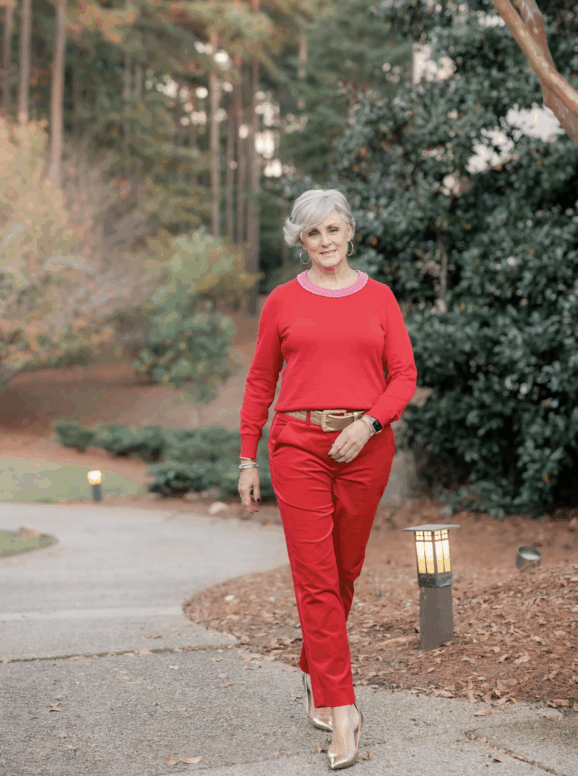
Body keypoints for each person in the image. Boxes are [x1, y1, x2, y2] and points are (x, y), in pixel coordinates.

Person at [237, 188, 417, 770]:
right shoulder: (282, 302)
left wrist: (367, 425)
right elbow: (261, 381)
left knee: (343, 572)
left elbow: (404, 376)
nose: (326, 241)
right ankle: (343, 712)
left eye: (334, 229)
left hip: (365, 448)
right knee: (315, 579)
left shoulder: (381, 298)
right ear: (300, 241)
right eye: (313, 233)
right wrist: (247, 457)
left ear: (350, 232)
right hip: (298, 447)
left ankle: (314, 666)